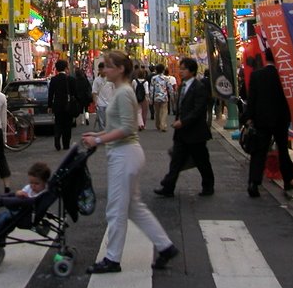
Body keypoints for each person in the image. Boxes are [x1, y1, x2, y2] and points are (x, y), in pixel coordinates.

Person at [80, 51, 179, 274]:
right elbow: (121, 127)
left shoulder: (124, 92)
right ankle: (165, 246)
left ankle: (113, 258)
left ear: (121, 69)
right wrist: (99, 135)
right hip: (125, 153)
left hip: (124, 154)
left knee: (116, 209)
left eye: (108, 66)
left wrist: (98, 139)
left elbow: (127, 128)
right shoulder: (121, 91)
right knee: (134, 207)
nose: (104, 70)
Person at [154, 57, 215, 198]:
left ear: (192, 71)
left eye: (183, 69)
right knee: (176, 160)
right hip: (182, 132)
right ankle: (168, 186)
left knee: (202, 160)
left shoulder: (199, 87)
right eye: (180, 69)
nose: (180, 71)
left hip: (195, 132)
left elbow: (198, 109)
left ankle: (208, 186)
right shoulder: (182, 86)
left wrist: (183, 122)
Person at [242, 48, 293, 197]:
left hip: (262, 120)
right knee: (283, 149)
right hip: (281, 119)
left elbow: (251, 99)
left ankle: (254, 183)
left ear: (265, 58)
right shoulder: (285, 76)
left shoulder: (257, 75)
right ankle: (287, 180)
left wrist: (248, 117)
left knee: (259, 152)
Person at [0, 161, 50, 228]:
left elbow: (33, 201)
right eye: (31, 183)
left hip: (28, 215)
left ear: (45, 182)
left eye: (36, 183)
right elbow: (21, 193)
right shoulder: (29, 188)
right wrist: (18, 193)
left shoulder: (43, 193)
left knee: (7, 216)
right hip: (21, 209)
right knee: (9, 211)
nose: (33, 186)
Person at [47, 59, 77, 151]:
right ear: (66, 68)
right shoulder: (71, 79)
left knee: (58, 123)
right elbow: (74, 93)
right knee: (67, 125)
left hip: (57, 105)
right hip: (68, 105)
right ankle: (66, 144)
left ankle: (57, 137)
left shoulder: (53, 80)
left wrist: (50, 106)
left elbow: (51, 94)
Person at [92, 62, 114, 132]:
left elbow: (115, 90)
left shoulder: (110, 79)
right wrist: (95, 102)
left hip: (110, 103)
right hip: (100, 103)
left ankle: (107, 134)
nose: (102, 71)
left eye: (103, 69)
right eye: (100, 70)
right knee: (101, 122)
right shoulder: (97, 80)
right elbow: (94, 92)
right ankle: (103, 134)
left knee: (109, 120)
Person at [150, 64, 170, 131]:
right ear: (163, 70)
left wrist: (151, 98)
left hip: (156, 97)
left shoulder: (154, 78)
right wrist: (172, 93)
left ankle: (158, 125)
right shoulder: (166, 78)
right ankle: (163, 125)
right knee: (164, 111)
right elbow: (169, 87)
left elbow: (151, 89)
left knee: (157, 112)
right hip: (164, 96)